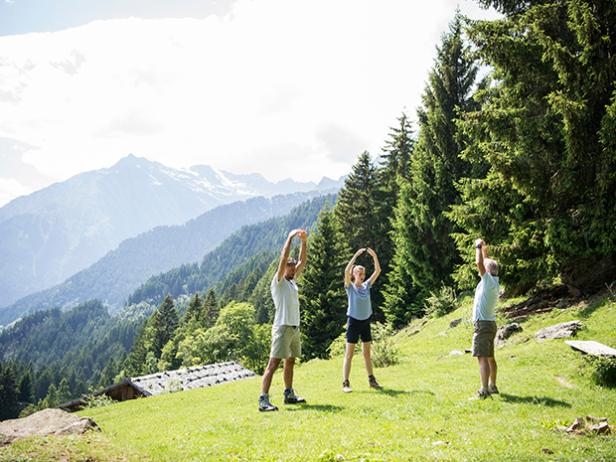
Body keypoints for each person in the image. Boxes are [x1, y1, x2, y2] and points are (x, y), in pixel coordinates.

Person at [258, 229, 308, 412]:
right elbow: (283, 257)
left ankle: (289, 394)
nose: (293, 267)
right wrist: (289, 238)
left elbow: (303, 261)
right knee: (273, 364)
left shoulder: (293, 281)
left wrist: (304, 241)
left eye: (293, 266)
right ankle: (263, 400)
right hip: (282, 327)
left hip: (294, 327)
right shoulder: (277, 282)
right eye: (289, 265)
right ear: (283, 267)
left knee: (290, 361)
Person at [341, 247, 382, 393]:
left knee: (366, 354)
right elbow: (346, 271)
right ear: (353, 274)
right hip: (353, 322)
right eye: (359, 272)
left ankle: (372, 380)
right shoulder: (350, 287)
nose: (362, 275)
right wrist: (356, 256)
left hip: (365, 322)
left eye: (363, 273)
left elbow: (378, 271)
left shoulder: (367, 286)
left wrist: (374, 256)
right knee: (349, 354)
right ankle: (345, 383)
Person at [472, 238, 500, 399]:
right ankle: (493, 386)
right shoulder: (493, 281)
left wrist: (477, 246)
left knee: (482, 358)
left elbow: (479, 263)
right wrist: (484, 248)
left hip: (482, 326)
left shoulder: (487, 280)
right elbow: (486, 263)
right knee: (490, 357)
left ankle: (484, 391)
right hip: (490, 324)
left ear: (487, 271)